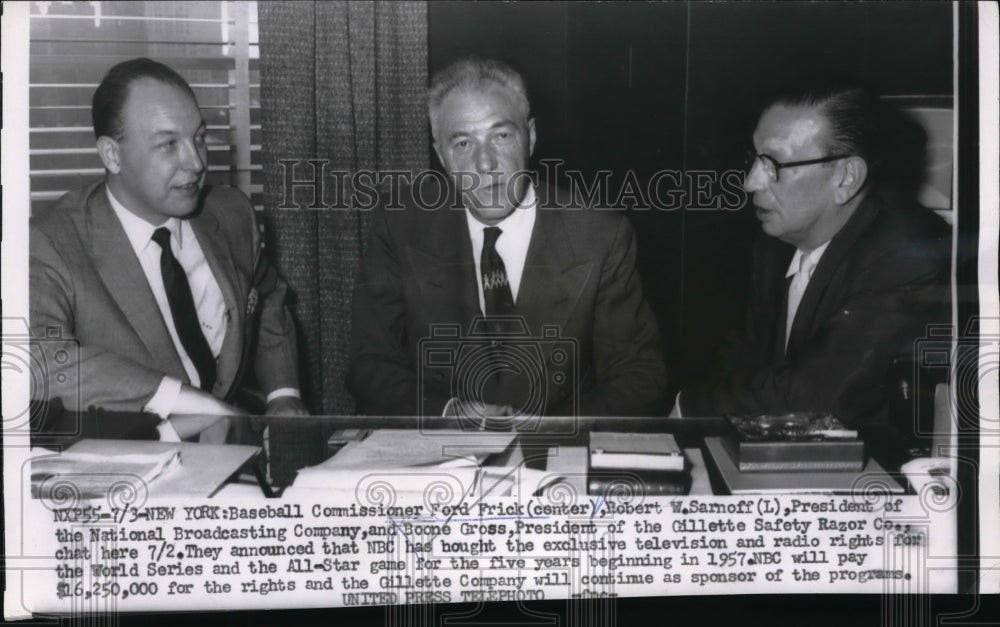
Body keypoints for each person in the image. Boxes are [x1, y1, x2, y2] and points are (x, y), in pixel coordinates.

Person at [348, 57, 666, 419]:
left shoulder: (599, 232)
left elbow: (640, 378)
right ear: (440, 155)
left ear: (530, 136)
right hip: (440, 454)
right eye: (464, 143)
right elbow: (370, 364)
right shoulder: (401, 225)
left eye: (501, 136)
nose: (486, 164)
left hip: (556, 455)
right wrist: (446, 415)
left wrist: (548, 430)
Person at [30, 58, 308, 442]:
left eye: (199, 137)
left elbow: (270, 296)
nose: (196, 163)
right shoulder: (50, 242)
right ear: (112, 155)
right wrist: (181, 400)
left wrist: (283, 394)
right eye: (168, 144)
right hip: (136, 455)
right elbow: (41, 361)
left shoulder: (231, 214)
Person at [673, 81, 950, 439]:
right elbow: (741, 360)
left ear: (846, 178)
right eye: (754, 160)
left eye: (773, 164)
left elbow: (817, 399)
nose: (750, 182)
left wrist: (687, 407)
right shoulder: (776, 242)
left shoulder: (909, 252)